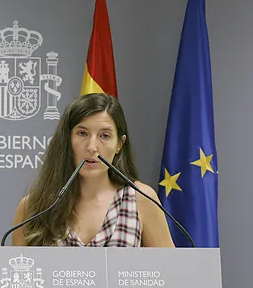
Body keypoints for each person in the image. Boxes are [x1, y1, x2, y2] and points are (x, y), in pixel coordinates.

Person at [11, 93, 174, 248]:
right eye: (82, 133)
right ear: (67, 140)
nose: (91, 147)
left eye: (104, 136)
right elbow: (16, 273)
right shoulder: (33, 207)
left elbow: (170, 271)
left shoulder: (141, 199)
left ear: (119, 144)